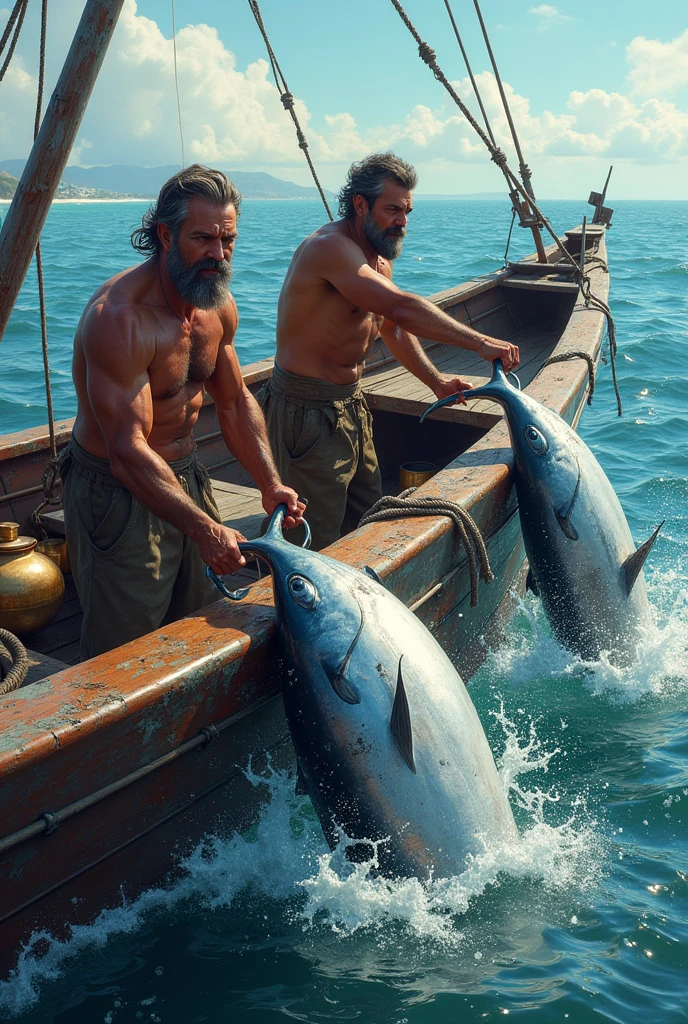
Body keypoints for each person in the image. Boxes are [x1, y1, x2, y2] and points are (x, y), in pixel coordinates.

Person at [61, 165, 305, 660]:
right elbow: (126, 452)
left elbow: (234, 402)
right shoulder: (119, 319)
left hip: (187, 475)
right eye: (203, 239)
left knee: (204, 623)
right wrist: (206, 529)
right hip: (116, 493)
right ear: (166, 235)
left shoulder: (216, 307)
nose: (218, 254)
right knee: (122, 649)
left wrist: (269, 482)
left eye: (228, 240)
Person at [260, 152, 520, 551]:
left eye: (407, 211)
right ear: (360, 205)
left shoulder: (379, 258)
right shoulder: (329, 248)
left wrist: (435, 382)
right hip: (306, 411)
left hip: (350, 405)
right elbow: (401, 307)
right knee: (310, 537)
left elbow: (393, 326)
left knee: (367, 516)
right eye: (393, 210)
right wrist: (481, 343)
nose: (402, 221)